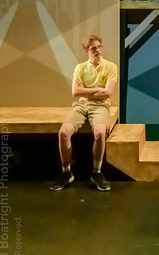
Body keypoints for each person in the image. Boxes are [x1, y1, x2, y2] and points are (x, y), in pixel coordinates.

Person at [50, 35, 117, 191]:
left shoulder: (111, 67)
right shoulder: (80, 68)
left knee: (100, 133)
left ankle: (96, 172)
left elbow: (108, 93)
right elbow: (75, 92)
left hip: (100, 106)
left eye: (99, 47)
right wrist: (97, 89)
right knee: (63, 133)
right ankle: (66, 172)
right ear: (87, 51)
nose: (97, 50)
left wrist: (85, 90)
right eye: (93, 48)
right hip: (81, 106)